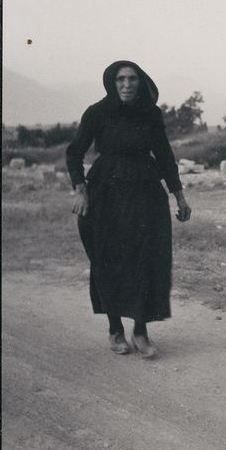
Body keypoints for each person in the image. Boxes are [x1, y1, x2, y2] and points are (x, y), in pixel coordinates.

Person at [67, 60, 191, 358]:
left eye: (132, 79)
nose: (126, 84)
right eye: (121, 79)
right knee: (109, 259)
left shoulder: (151, 113)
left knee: (146, 259)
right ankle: (115, 329)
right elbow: (74, 152)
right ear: (112, 82)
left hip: (145, 193)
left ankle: (140, 332)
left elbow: (164, 155)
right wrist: (81, 191)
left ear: (140, 82)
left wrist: (179, 196)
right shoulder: (97, 112)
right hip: (105, 194)